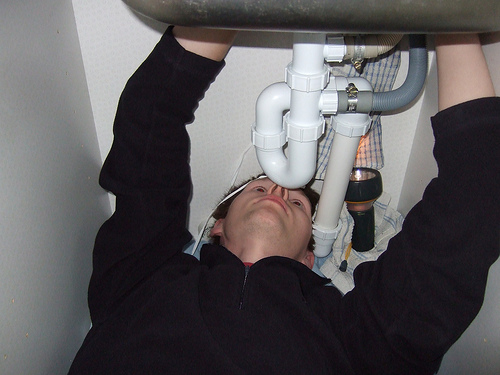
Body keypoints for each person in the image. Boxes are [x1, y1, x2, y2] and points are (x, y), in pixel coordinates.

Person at [68, 26, 499, 374]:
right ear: (215, 226)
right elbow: (150, 125)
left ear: (310, 259)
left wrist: (451, 20)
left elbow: (474, 199)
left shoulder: (354, 337)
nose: (278, 188)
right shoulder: (143, 275)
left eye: (297, 205)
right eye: (259, 187)